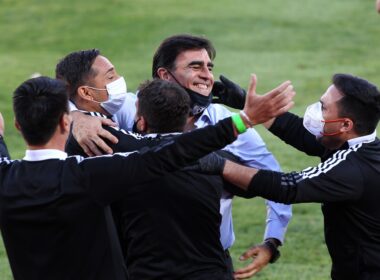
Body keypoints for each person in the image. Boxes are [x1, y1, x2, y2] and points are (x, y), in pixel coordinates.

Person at [0, 76, 280, 280]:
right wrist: (243, 120)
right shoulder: (90, 176)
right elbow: (170, 153)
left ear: (17, 125)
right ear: (65, 123)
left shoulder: (5, 179)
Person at [68, 35, 294, 276]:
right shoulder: (133, 106)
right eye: (195, 66)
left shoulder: (224, 119)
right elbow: (67, 92)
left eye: (209, 67)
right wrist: (76, 116)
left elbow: (273, 180)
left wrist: (272, 241)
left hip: (207, 260)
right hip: (139, 262)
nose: (207, 75)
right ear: (165, 75)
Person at [209, 74, 380, 279]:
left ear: (345, 125)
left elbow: (287, 187)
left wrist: (216, 163)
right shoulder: (355, 142)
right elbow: (299, 133)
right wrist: (246, 102)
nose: (316, 112)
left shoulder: (353, 169)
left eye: (323, 107)